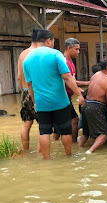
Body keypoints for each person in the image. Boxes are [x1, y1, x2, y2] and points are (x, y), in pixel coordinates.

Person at [23, 29, 84, 160]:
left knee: (44, 131)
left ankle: (47, 160)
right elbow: (67, 77)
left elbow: (29, 84)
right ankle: (68, 155)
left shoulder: (27, 59)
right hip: (59, 101)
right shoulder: (56, 55)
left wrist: (34, 101)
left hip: (41, 102)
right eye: (53, 41)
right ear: (49, 40)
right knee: (65, 130)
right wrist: (79, 94)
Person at [79, 58, 107, 154]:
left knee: (85, 133)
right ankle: (90, 152)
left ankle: (79, 149)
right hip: (96, 106)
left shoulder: (95, 75)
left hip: (86, 105)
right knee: (103, 134)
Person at [53, 38, 90, 143]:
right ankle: (73, 143)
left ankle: (55, 142)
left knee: (59, 121)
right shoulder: (65, 62)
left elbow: (71, 81)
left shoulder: (69, 62)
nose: (78, 52)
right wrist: (86, 83)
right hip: (63, 96)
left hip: (64, 95)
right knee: (74, 120)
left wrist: (77, 88)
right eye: (76, 49)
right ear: (69, 48)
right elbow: (69, 80)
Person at [17, 28, 40, 152]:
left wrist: (23, 91)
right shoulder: (38, 54)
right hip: (37, 91)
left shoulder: (22, 54)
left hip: (25, 91)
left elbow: (19, 76)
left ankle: (26, 151)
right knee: (43, 124)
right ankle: (39, 153)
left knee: (27, 123)